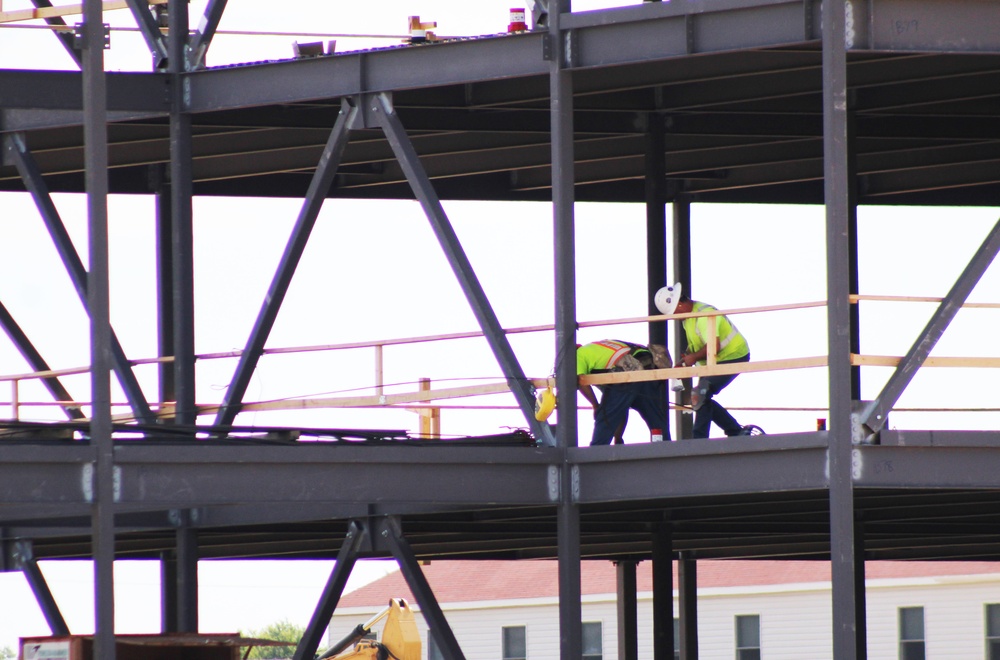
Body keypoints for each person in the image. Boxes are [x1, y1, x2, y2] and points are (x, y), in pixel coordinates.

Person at [655, 283, 753, 439]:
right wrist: (686, 356)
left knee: (700, 394)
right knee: (700, 396)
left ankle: (699, 440)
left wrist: (692, 358)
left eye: (673, 312)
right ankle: (735, 432)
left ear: (679, 304)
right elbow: (699, 343)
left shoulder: (703, 315)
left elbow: (713, 346)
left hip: (734, 356)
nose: (674, 316)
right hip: (713, 361)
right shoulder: (687, 318)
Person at [576, 340, 670, 446]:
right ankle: (665, 448)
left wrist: (595, 405)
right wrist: (618, 437)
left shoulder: (576, 355)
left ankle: (596, 453)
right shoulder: (597, 347)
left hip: (627, 371)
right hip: (647, 368)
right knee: (654, 417)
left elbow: (582, 382)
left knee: (605, 416)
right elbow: (621, 407)